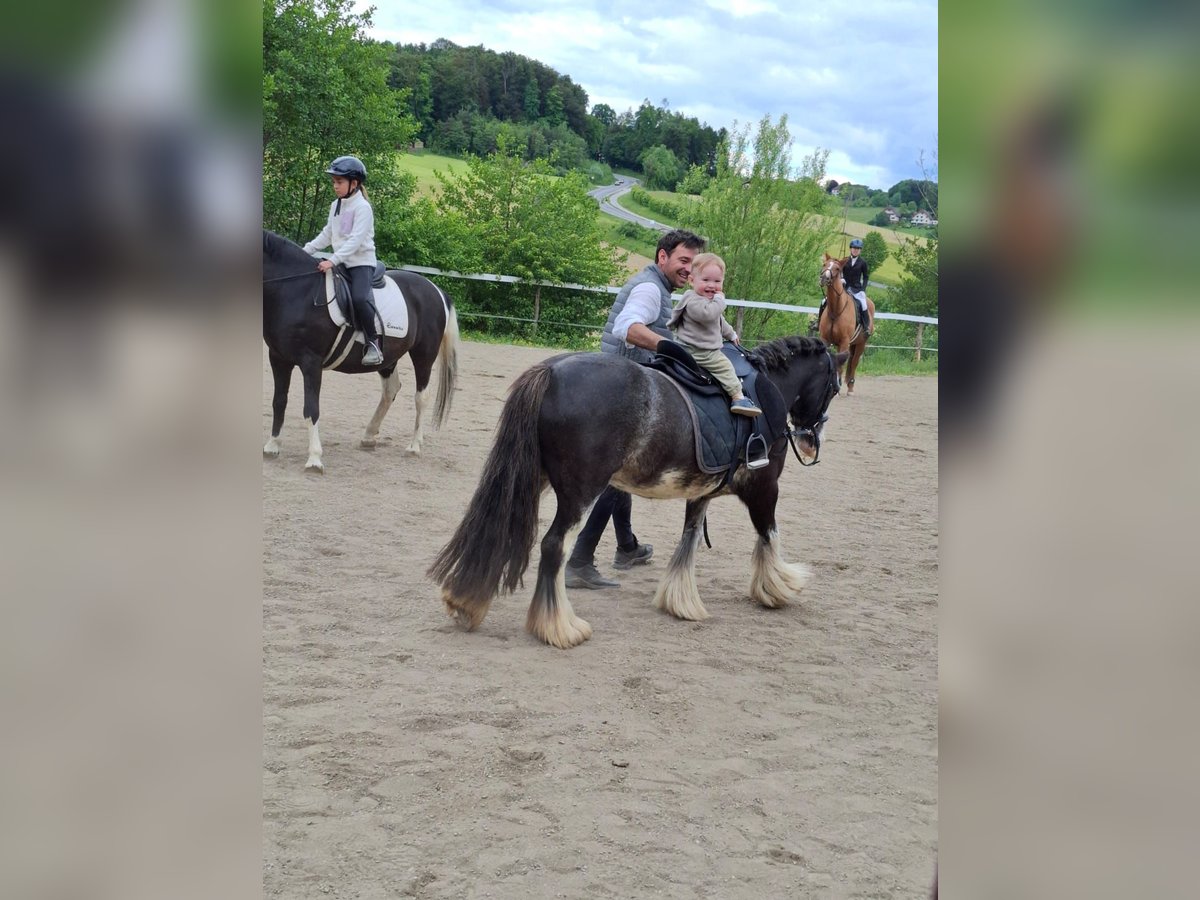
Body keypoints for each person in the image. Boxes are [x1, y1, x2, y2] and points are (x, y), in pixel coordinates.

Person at [564, 228, 708, 591]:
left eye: (693, 263)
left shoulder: (657, 287)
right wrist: (670, 348)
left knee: (623, 470)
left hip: (617, 387)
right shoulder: (650, 289)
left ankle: (627, 547)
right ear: (662, 257)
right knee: (617, 474)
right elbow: (627, 326)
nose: (689, 269)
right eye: (683, 260)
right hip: (622, 394)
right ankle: (579, 560)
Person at [303, 155, 383, 366]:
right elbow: (327, 234)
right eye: (334, 182)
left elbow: (355, 241)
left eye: (339, 182)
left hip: (360, 263)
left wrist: (333, 260)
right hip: (341, 262)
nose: (335, 186)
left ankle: (373, 343)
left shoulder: (363, 208)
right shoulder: (336, 205)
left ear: (354, 184)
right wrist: (304, 251)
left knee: (359, 298)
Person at [666, 252, 761, 416]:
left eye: (717, 281)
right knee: (725, 367)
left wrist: (731, 334)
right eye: (705, 280)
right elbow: (709, 315)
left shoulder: (708, 302)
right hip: (699, 351)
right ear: (691, 281)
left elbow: (719, 321)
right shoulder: (693, 301)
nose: (712, 285)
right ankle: (738, 397)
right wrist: (720, 301)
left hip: (692, 347)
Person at [813, 237, 873, 337]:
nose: (855, 250)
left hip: (856, 289)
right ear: (851, 249)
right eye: (854, 248)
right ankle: (818, 322)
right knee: (824, 301)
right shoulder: (845, 260)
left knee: (863, 304)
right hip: (844, 287)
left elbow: (866, 277)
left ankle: (866, 327)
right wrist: (841, 279)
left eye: (858, 249)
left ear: (860, 250)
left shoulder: (863, 263)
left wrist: (863, 289)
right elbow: (839, 271)